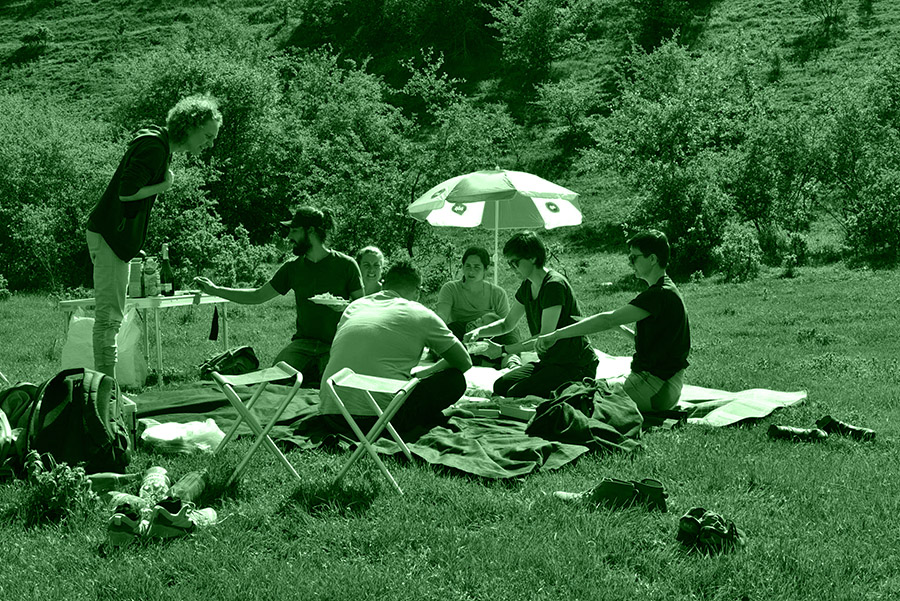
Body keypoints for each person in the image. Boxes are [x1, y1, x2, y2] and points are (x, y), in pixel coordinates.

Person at [86, 94, 222, 379]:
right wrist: (164, 185)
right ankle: (105, 392)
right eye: (207, 136)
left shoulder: (160, 145)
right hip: (110, 238)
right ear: (189, 126)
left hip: (115, 240)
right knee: (109, 319)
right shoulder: (154, 148)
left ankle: (107, 389)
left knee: (111, 318)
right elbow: (127, 192)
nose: (209, 144)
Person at [194, 206, 364, 384]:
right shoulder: (292, 268)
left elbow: (363, 307)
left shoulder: (346, 265)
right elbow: (258, 296)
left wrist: (344, 307)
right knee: (274, 380)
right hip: (302, 344)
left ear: (311, 231)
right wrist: (214, 289)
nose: (289, 237)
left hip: (336, 344)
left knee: (334, 385)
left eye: (294, 231)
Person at [535, 230, 690, 413]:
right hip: (665, 389)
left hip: (653, 388)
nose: (630, 263)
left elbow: (608, 319)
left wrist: (556, 335)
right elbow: (653, 345)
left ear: (652, 259)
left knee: (575, 401)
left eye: (634, 257)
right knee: (583, 392)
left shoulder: (659, 295)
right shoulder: (666, 289)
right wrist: (619, 328)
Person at [318, 260, 472, 436]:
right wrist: (425, 373)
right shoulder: (421, 313)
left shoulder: (355, 306)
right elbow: (464, 362)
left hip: (331, 413)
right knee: (454, 380)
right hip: (379, 419)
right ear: (417, 291)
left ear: (384, 284)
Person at [464, 231, 598, 398]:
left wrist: (503, 350)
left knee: (516, 393)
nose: (512, 268)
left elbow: (545, 337)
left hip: (574, 365)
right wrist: (479, 332)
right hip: (549, 362)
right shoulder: (527, 285)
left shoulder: (553, 285)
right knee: (501, 386)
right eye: (510, 263)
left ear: (533, 258)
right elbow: (507, 324)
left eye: (515, 262)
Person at [435, 246, 519, 367]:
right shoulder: (450, 288)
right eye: (468, 266)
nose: (471, 271)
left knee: (513, 329)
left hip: (487, 335)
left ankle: (511, 360)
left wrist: (484, 328)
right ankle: (485, 362)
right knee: (449, 331)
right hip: (463, 335)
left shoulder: (497, 293)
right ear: (462, 267)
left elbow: (506, 324)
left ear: (486, 269)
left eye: (477, 267)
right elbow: (441, 317)